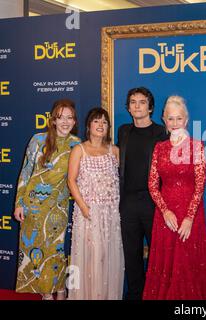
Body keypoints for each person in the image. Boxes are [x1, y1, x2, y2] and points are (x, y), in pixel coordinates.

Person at [142, 95, 206, 300]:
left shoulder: (197, 146)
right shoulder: (160, 148)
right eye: (170, 118)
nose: (174, 123)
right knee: (165, 264)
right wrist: (165, 211)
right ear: (164, 120)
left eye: (179, 118)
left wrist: (189, 217)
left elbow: (200, 185)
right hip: (165, 215)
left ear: (186, 120)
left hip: (190, 214)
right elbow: (152, 184)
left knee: (187, 263)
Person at [13, 99, 80, 300]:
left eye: (69, 118)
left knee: (55, 253)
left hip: (58, 209)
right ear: (53, 120)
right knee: (35, 250)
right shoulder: (38, 140)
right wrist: (19, 202)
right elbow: (26, 172)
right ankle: (45, 294)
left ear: (75, 121)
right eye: (60, 118)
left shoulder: (76, 145)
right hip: (32, 207)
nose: (65, 122)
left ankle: (60, 288)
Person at [67, 107, 124, 300]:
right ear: (88, 125)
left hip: (111, 214)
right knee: (90, 258)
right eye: (96, 121)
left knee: (108, 257)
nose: (100, 125)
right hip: (88, 213)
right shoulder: (79, 149)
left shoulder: (114, 151)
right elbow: (71, 180)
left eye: (104, 122)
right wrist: (83, 206)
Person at [118, 87, 168, 300]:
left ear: (151, 107)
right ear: (128, 107)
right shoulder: (123, 131)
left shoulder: (161, 133)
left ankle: (156, 294)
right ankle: (136, 294)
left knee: (158, 254)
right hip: (128, 201)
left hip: (153, 201)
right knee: (131, 254)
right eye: (133, 102)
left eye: (142, 102)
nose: (137, 106)